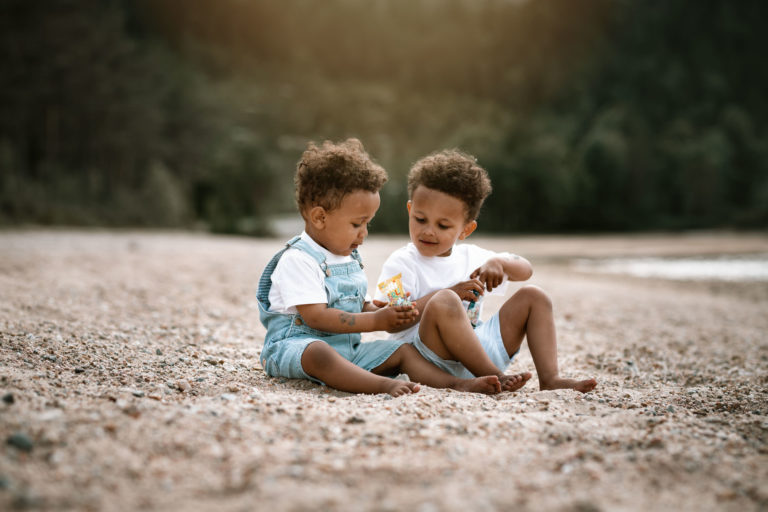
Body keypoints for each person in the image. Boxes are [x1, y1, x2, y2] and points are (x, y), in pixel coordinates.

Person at [257, 139, 503, 397]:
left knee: (403, 352)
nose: (363, 234)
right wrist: (375, 320)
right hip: (295, 348)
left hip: (348, 352)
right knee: (319, 353)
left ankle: (455, 384)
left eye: (367, 224)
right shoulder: (299, 259)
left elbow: (361, 306)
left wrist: (389, 312)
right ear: (320, 217)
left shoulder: (348, 258)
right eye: (357, 224)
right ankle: (381, 385)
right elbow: (315, 317)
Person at [374, 149, 597, 393]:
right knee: (445, 300)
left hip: (477, 351)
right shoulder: (400, 263)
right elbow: (392, 324)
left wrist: (500, 263)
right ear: (409, 210)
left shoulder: (472, 257)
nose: (428, 231)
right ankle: (496, 376)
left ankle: (550, 378)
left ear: (465, 230)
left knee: (535, 296)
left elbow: (526, 270)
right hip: (429, 358)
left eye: (443, 225)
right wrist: (450, 293)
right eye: (420, 219)